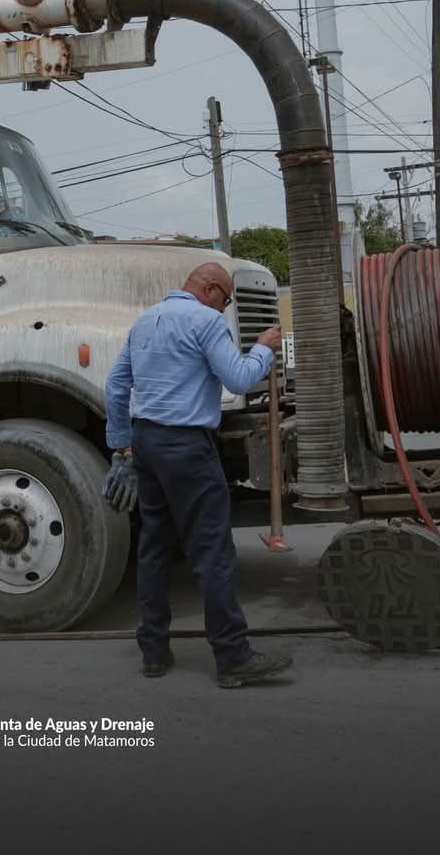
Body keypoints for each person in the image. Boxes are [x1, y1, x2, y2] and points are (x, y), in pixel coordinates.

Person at [102, 262, 292, 688]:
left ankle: (153, 652)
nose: (224, 309)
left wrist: (121, 445)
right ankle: (232, 657)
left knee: (153, 547)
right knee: (212, 553)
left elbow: (115, 386)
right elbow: (239, 380)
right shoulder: (205, 322)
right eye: (225, 301)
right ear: (209, 290)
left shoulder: (144, 321)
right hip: (187, 447)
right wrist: (263, 348)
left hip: (146, 443)